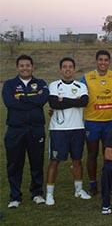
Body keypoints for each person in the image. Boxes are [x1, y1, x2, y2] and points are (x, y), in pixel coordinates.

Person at [3, 54, 49, 208]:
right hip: (15, 130)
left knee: (37, 162)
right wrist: (33, 100)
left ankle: (37, 193)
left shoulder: (41, 83)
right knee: (15, 163)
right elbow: (10, 103)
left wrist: (21, 98)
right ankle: (15, 197)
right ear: (18, 67)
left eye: (27, 65)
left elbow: (42, 100)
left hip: (36, 129)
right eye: (22, 65)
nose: (25, 68)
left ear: (32, 67)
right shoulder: (9, 84)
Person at [45, 57, 91, 205]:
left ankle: (78, 190)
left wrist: (63, 101)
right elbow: (53, 103)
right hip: (58, 130)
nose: (67, 69)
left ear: (74, 69)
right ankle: (49, 194)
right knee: (54, 161)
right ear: (60, 69)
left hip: (77, 128)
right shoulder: (53, 85)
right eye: (64, 66)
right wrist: (74, 101)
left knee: (77, 160)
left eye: (70, 66)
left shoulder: (81, 86)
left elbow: (84, 102)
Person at [81, 50, 112, 195]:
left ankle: (107, 181)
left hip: (110, 122)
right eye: (100, 60)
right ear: (96, 61)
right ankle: (92, 183)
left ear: (109, 62)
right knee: (92, 153)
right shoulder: (86, 77)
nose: (103, 62)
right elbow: (76, 92)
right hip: (92, 122)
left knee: (108, 154)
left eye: (106, 60)